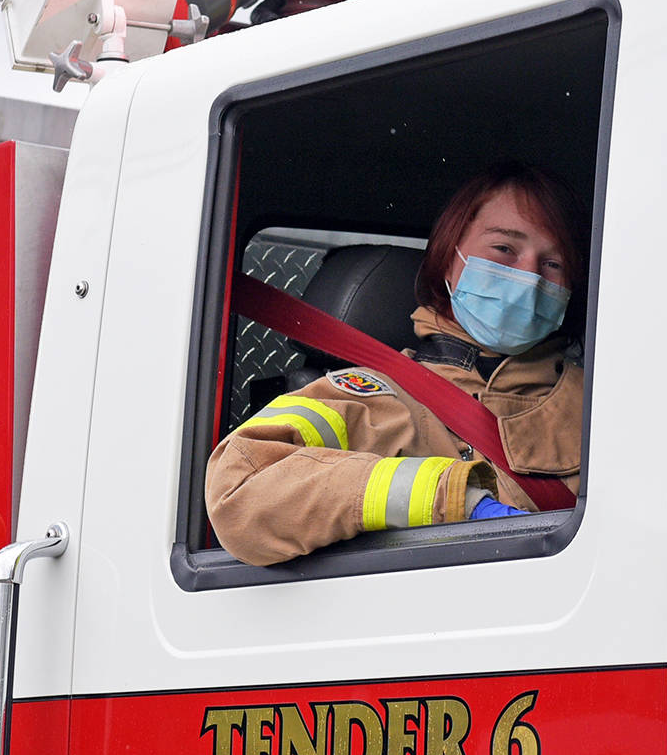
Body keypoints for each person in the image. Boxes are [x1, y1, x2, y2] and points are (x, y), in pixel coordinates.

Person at [206, 162, 587, 565]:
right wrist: (451, 498)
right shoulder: (367, 397)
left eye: (552, 264)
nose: (528, 276)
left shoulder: (603, 403)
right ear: (448, 257)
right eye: (504, 249)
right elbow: (239, 490)